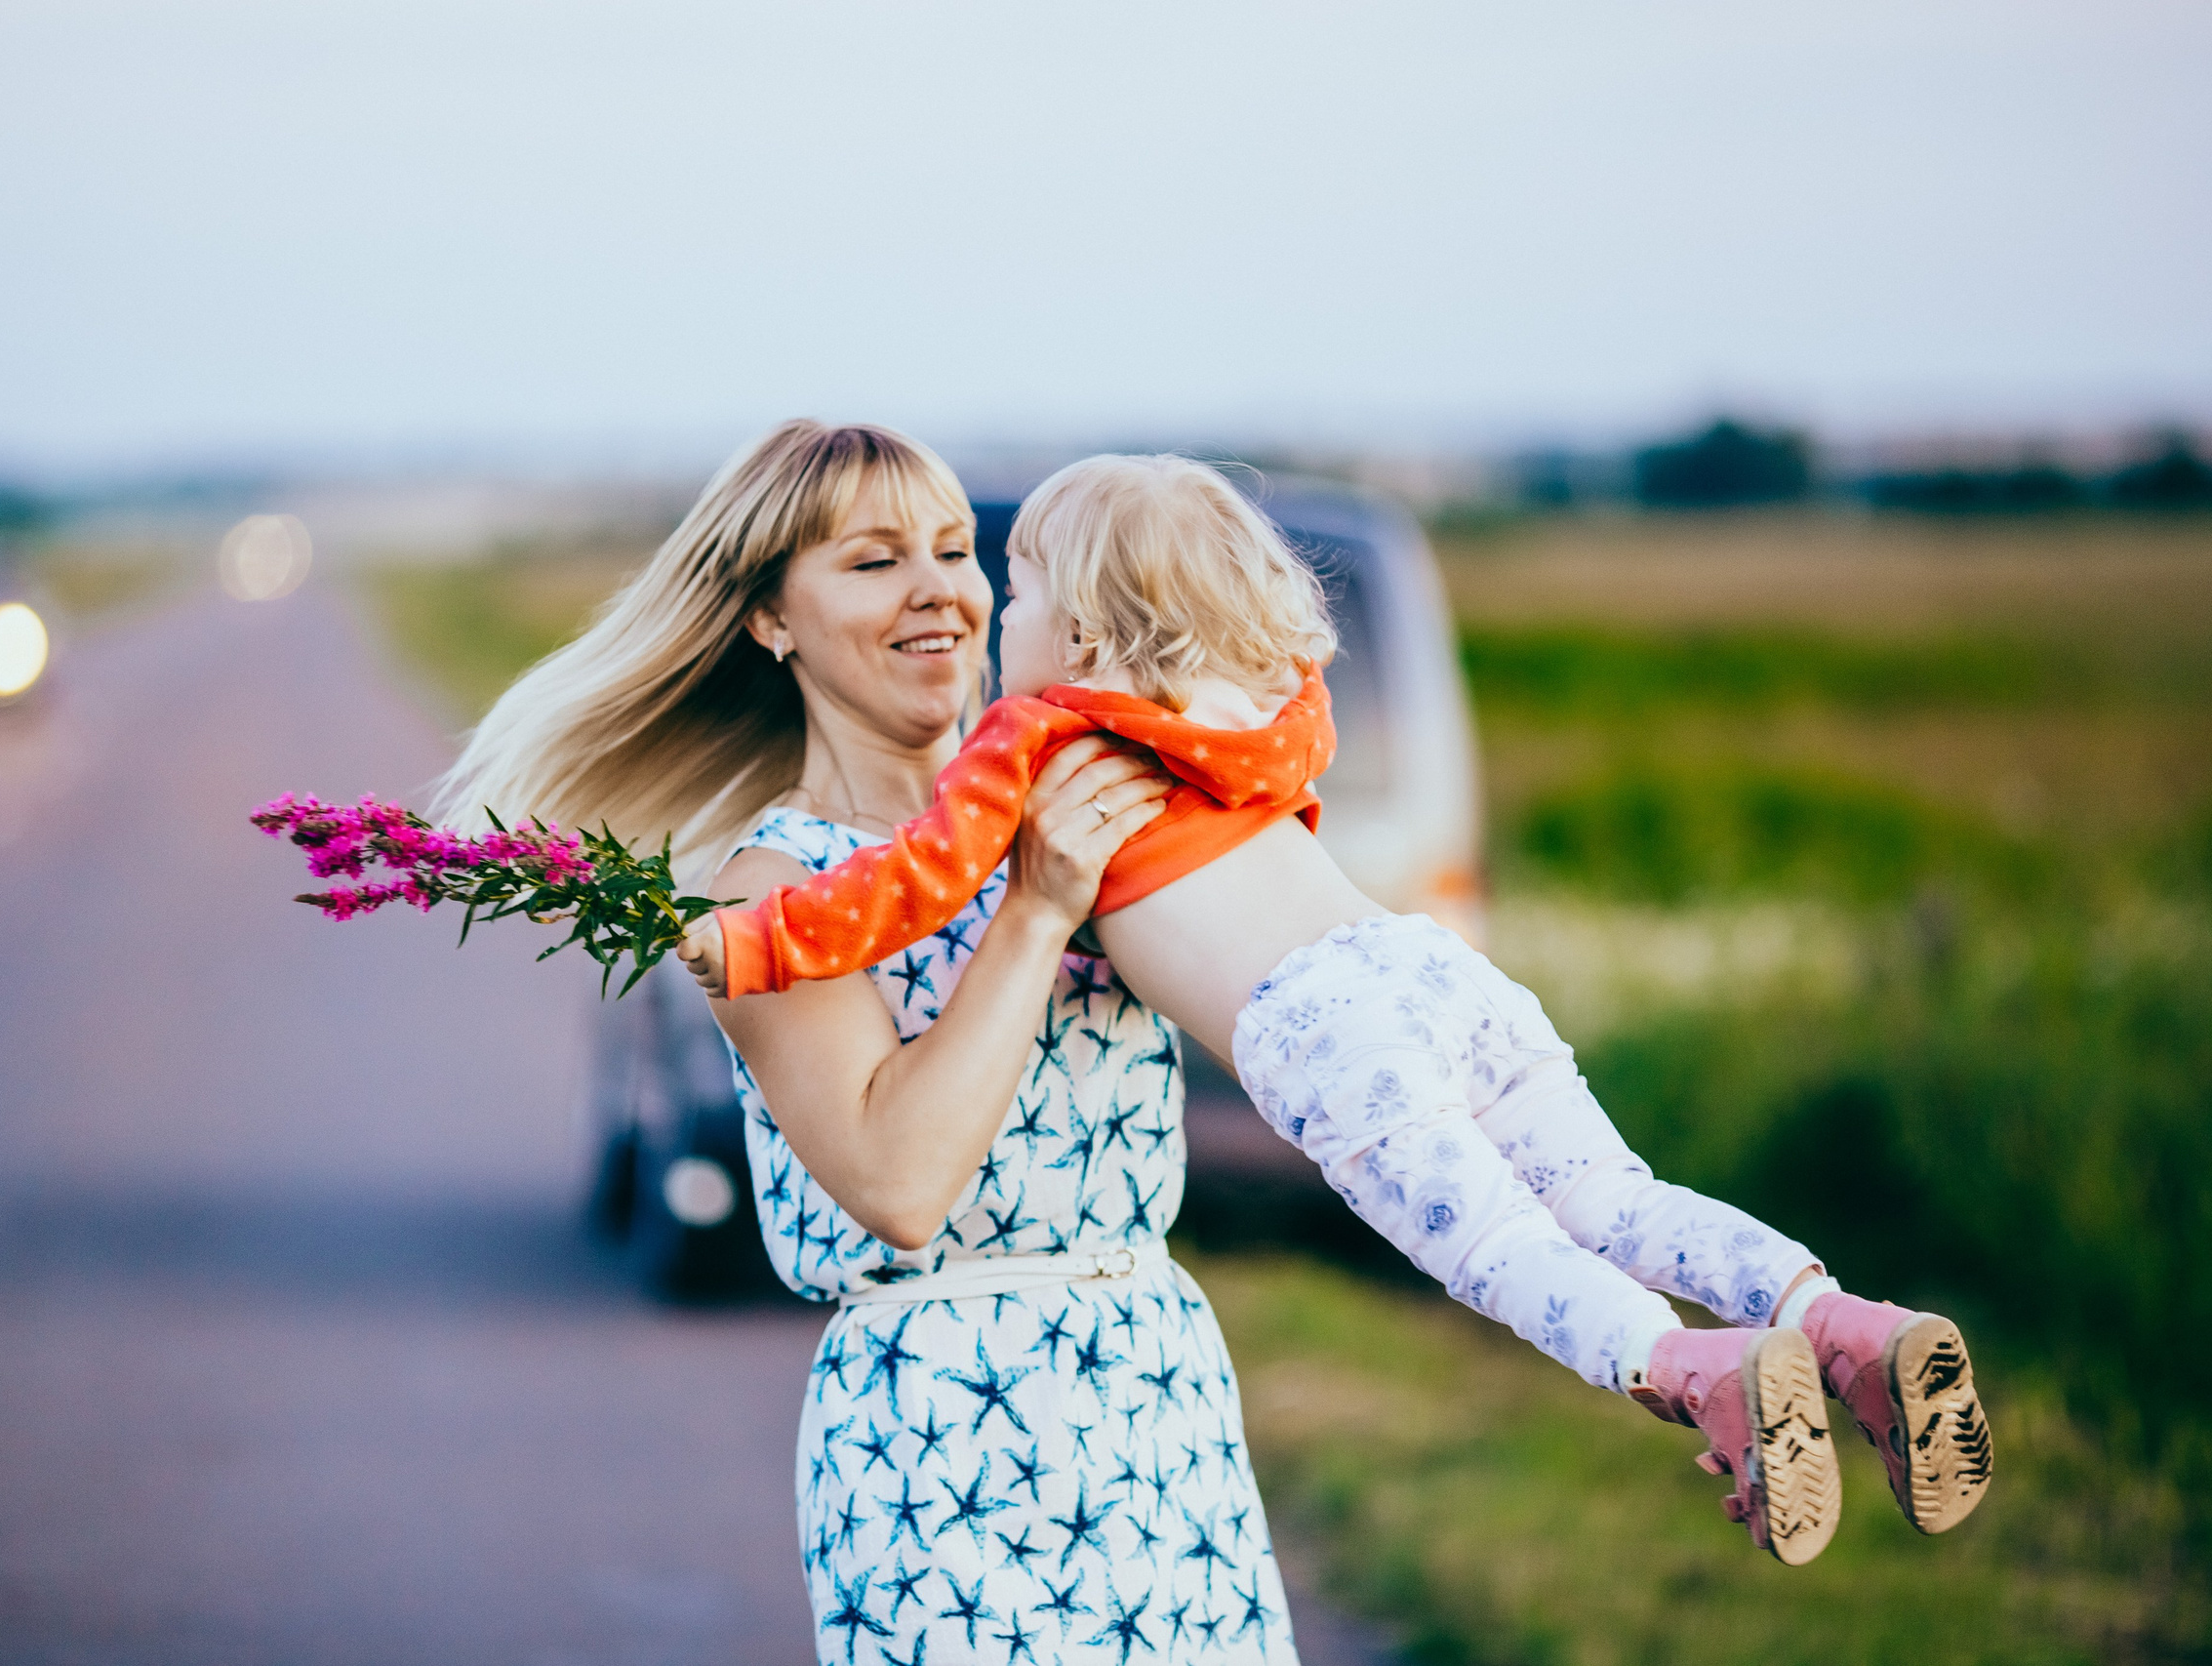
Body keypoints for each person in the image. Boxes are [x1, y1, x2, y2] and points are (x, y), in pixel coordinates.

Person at [681, 453, 1994, 1566]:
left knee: (1498, 1243)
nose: (986, 613)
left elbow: (903, 887)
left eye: (1002, 577)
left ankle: (1690, 1368)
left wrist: (752, 941)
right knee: (1618, 1196)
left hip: (1321, 1026)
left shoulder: (1037, 745)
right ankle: (1838, 1318)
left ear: (1077, 636)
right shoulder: (1270, 714)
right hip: (1423, 961)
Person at [437, 422, 1307, 1662]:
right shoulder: (768, 896)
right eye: (873, 561)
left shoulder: (1076, 797)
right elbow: (899, 1184)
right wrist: (1038, 912)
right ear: (769, 619)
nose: (938, 591)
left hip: (1154, 1382)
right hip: (940, 1429)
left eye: (955, 550)